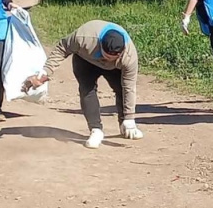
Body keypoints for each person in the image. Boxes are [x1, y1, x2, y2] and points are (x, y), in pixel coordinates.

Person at [24, 21, 143, 149]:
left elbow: (129, 87)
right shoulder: (83, 38)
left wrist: (129, 117)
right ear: (101, 46)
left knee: (121, 88)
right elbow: (62, 47)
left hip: (115, 68)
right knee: (87, 90)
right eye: (106, 55)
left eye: (112, 57)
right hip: (86, 60)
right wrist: (46, 71)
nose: (107, 59)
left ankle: (125, 125)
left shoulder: (129, 56)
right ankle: (95, 130)